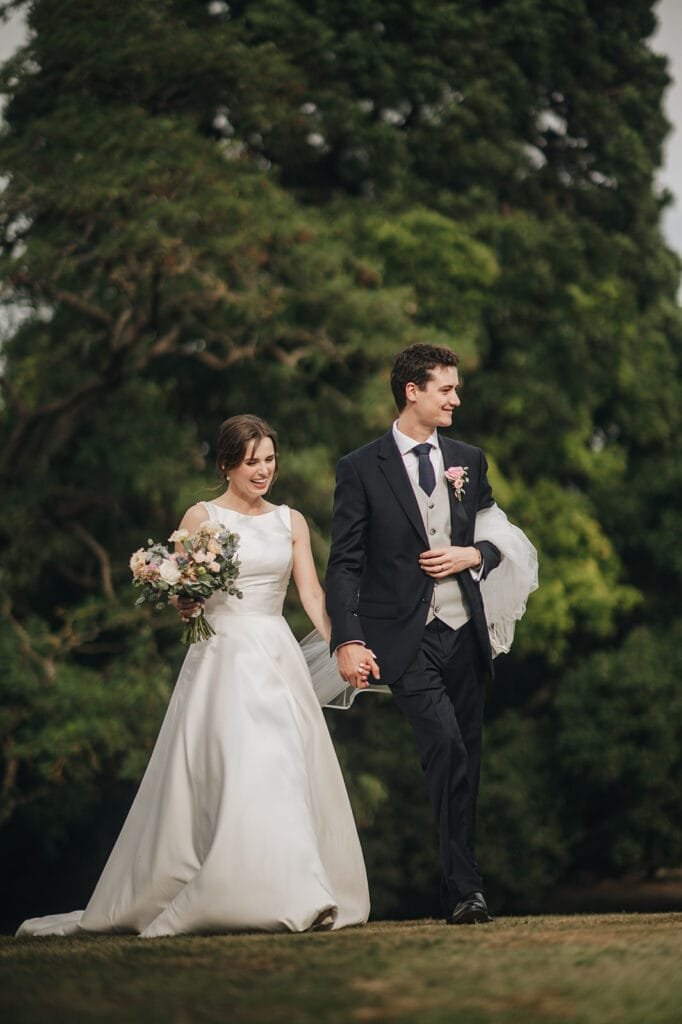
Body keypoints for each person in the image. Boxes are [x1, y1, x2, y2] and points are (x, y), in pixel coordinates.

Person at [17, 414, 370, 937]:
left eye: (270, 460)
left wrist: (345, 643)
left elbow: (311, 595)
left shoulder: (290, 521)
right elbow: (183, 591)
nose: (264, 471)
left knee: (282, 767)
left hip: (274, 656)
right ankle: (231, 889)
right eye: (253, 462)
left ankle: (300, 891)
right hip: (221, 658)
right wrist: (185, 601)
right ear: (227, 464)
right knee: (230, 772)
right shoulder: (201, 516)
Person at [326, 343, 535, 926]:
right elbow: (343, 563)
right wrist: (348, 639)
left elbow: (503, 539)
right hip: (402, 637)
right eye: (446, 388)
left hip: (463, 633)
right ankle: (464, 886)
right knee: (443, 744)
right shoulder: (360, 467)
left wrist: (473, 553)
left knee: (465, 754)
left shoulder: (469, 458)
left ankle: (463, 892)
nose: (456, 398)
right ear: (412, 391)